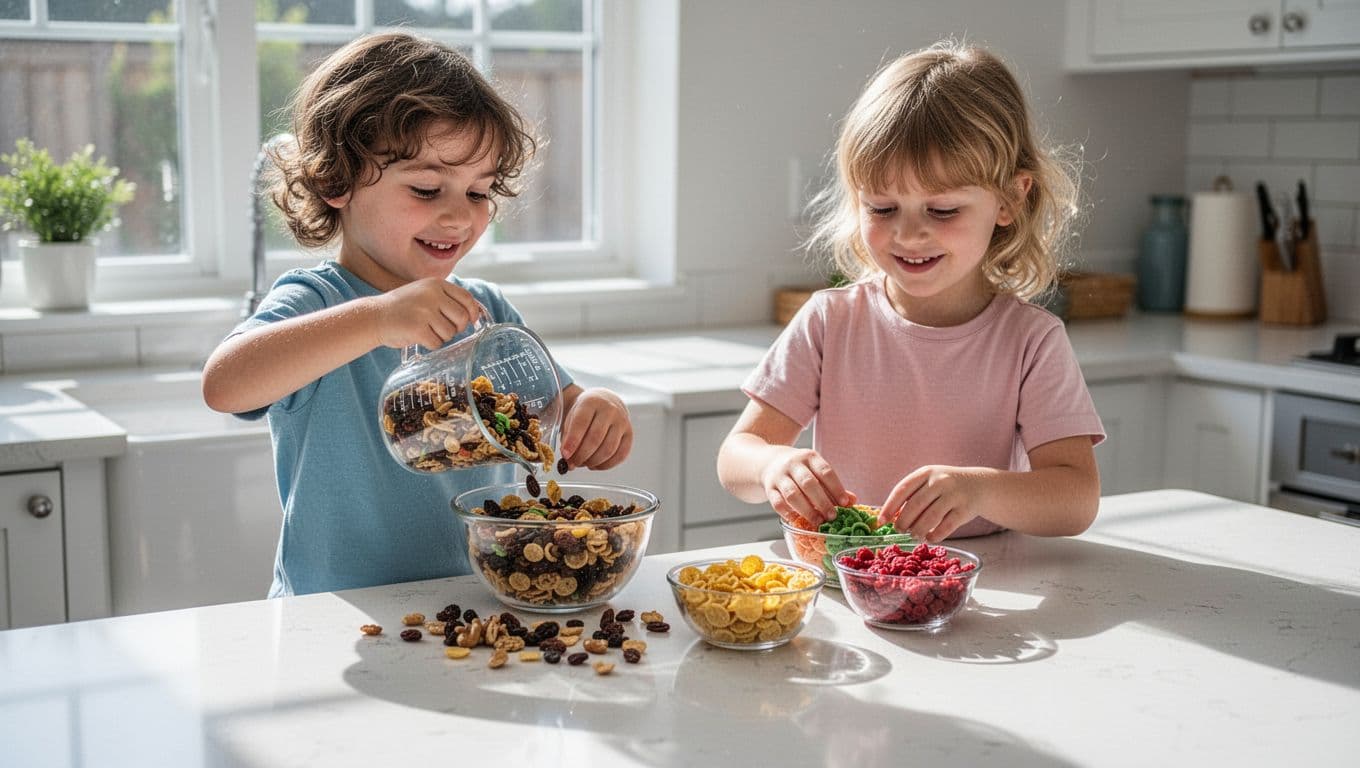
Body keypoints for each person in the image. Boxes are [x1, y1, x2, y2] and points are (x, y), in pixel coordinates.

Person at [202, 32, 633, 597]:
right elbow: (225, 384)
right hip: (334, 619)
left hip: (472, 608)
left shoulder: (489, 311)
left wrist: (597, 411)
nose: (459, 217)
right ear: (337, 181)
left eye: (479, 194)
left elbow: (557, 409)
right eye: (428, 189)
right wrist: (377, 319)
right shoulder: (319, 302)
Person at [716, 40, 1104, 544]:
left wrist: (979, 491)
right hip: (845, 582)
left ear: (1010, 198)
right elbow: (736, 455)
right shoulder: (830, 321)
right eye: (881, 208)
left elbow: (1076, 498)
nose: (908, 235)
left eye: (942, 211)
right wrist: (772, 465)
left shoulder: (1031, 340)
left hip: (985, 588)